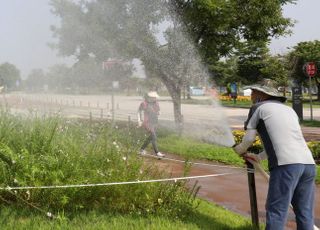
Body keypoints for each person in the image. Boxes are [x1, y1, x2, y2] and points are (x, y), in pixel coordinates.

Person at [233, 80, 316, 229]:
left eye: (254, 92)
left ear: (262, 94)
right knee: (304, 212)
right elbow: (284, 140)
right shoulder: (289, 110)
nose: (251, 95)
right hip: (308, 164)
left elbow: (249, 138)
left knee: (276, 211)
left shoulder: (258, 108)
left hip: (286, 166)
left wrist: (239, 149)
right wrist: (258, 157)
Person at [137, 91, 164, 158]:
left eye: (155, 97)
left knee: (150, 138)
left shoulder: (156, 103)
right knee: (153, 136)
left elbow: (158, 111)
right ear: (149, 98)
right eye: (154, 97)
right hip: (147, 123)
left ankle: (141, 149)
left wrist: (158, 112)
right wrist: (139, 121)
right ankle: (157, 152)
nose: (155, 98)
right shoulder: (144, 103)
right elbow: (139, 111)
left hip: (154, 122)